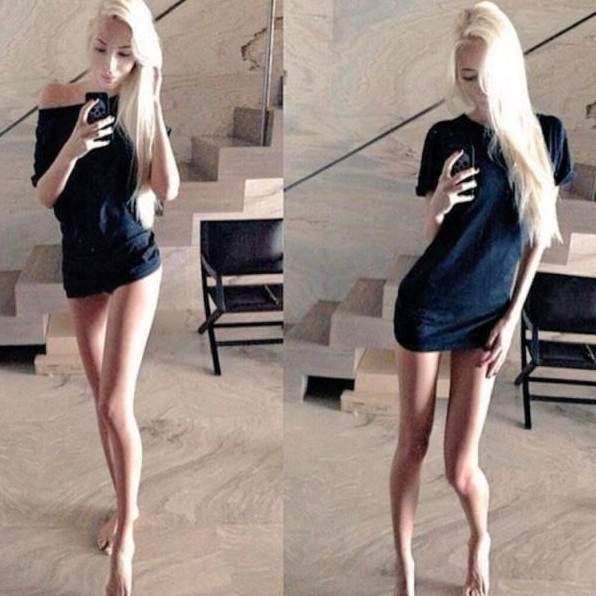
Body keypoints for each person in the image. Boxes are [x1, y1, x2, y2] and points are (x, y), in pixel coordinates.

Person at [389, 2, 573, 595]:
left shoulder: (546, 135)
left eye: (487, 74)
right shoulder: (444, 136)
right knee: (412, 443)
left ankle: (479, 538)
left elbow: (537, 237)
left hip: (487, 316)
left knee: (460, 467)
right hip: (425, 305)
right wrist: (437, 205)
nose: (479, 88)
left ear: (509, 66)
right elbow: (432, 234)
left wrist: (513, 315)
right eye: (467, 76)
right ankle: (404, 564)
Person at [30, 0, 180, 594]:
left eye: (125, 55)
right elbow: (46, 195)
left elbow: (168, 189)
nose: (111, 66)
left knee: (117, 404)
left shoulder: (138, 101)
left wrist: (154, 101)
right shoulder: (57, 99)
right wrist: (73, 144)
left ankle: (126, 542)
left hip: (133, 260)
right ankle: (126, 504)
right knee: (101, 403)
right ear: (87, 38)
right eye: (101, 49)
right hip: (81, 262)